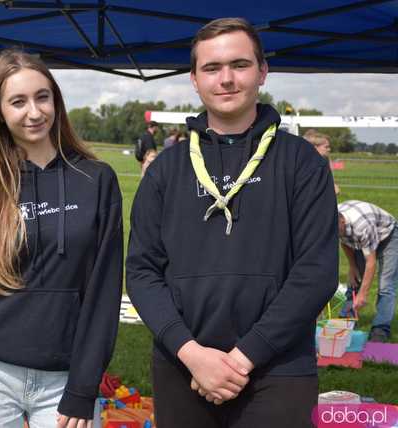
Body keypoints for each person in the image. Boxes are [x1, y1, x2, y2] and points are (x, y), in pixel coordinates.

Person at [126, 18, 338, 428]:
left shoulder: (302, 163)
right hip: (182, 367)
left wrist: (243, 358)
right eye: (211, 68)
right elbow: (141, 270)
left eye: (239, 65)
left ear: (262, 72)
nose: (226, 79)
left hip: (278, 370)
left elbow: (316, 272)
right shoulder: (165, 170)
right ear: (193, 78)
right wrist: (190, 353)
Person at [0, 49, 123, 428]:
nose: (34, 112)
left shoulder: (97, 180)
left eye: (42, 97)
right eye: (18, 102)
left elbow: (104, 292)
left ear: (56, 100)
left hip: (65, 379)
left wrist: (84, 386)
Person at [338, 200, 398, 343]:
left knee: (385, 285)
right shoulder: (330, 220)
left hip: (388, 235)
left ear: (342, 221)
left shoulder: (362, 227)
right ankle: (347, 319)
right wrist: (352, 267)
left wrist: (363, 294)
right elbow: (344, 241)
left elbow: (371, 263)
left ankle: (380, 329)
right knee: (355, 279)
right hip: (361, 237)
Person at [303, 129, 340, 194]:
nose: (329, 149)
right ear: (315, 147)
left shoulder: (325, 160)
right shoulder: (304, 163)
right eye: (326, 147)